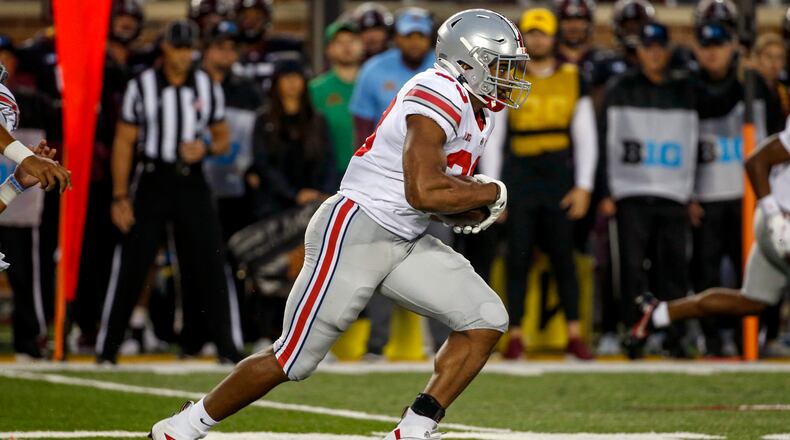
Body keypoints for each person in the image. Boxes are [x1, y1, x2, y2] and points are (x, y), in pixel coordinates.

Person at [149, 9, 529, 440]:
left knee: (485, 318)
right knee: (293, 359)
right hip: (356, 229)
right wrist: (490, 193)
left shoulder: (482, 112)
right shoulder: (436, 89)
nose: (508, 76)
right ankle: (183, 425)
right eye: (501, 65)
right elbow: (422, 191)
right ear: (466, 61)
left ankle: (414, 429)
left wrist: (465, 208)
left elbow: (430, 201)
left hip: (405, 236)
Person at [97, 21, 242, 365]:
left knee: (209, 259)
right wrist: (120, 196)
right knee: (134, 262)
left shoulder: (207, 85)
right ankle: (108, 349)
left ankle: (226, 347)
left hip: (191, 180)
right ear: (164, 49)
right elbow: (124, 141)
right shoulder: (142, 86)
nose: (183, 55)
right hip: (152, 179)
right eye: (178, 48)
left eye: (188, 48)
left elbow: (222, 136)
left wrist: (204, 148)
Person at [631, 122, 790, 354]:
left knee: (751, 301)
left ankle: (660, 314)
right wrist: (776, 220)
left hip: (774, 220)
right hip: (780, 223)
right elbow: (756, 161)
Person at [499, 8, 597, 361]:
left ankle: (574, 333)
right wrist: (495, 189)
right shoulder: (509, 75)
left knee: (563, 257)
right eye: (531, 33)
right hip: (520, 172)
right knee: (518, 257)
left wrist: (584, 185)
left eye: (543, 33)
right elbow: (496, 137)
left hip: (558, 173)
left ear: (554, 37)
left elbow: (585, 136)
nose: (538, 39)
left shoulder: (573, 76)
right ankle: (515, 335)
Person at [598, 22, 699, 359]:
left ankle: (674, 336)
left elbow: (694, 139)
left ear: (667, 50)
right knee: (630, 269)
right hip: (630, 191)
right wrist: (606, 191)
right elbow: (604, 139)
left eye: (659, 47)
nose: (653, 54)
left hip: (673, 193)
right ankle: (635, 332)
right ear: (637, 50)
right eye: (647, 47)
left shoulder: (685, 88)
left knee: (673, 270)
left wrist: (692, 191)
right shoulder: (619, 87)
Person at [689, 20, 784, 356]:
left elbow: (775, 138)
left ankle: (761, 337)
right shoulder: (692, 84)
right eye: (706, 46)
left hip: (749, 195)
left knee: (763, 267)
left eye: (719, 45)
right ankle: (713, 339)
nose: (712, 53)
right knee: (707, 270)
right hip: (708, 192)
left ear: (731, 47)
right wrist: (688, 192)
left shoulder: (756, 83)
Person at [350, 7, 435, 148]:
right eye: (408, 36)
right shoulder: (373, 69)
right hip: (385, 156)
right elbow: (362, 125)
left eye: (421, 36)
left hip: (438, 153)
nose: (415, 42)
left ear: (430, 39)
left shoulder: (445, 67)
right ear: (396, 38)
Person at [309, 20, 364, 177]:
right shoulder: (316, 89)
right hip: (329, 173)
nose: (347, 47)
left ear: (362, 46)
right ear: (328, 49)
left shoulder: (373, 84)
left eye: (352, 41)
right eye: (339, 42)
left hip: (373, 172)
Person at [232, 0, 303, 93]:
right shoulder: (227, 50)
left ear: (266, 19)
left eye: (256, 17)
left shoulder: (286, 47)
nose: (250, 22)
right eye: (245, 17)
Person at [753, 33, 789, 117]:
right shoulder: (750, 86)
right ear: (757, 57)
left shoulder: (783, 89)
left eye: (779, 57)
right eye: (769, 56)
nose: (774, 62)